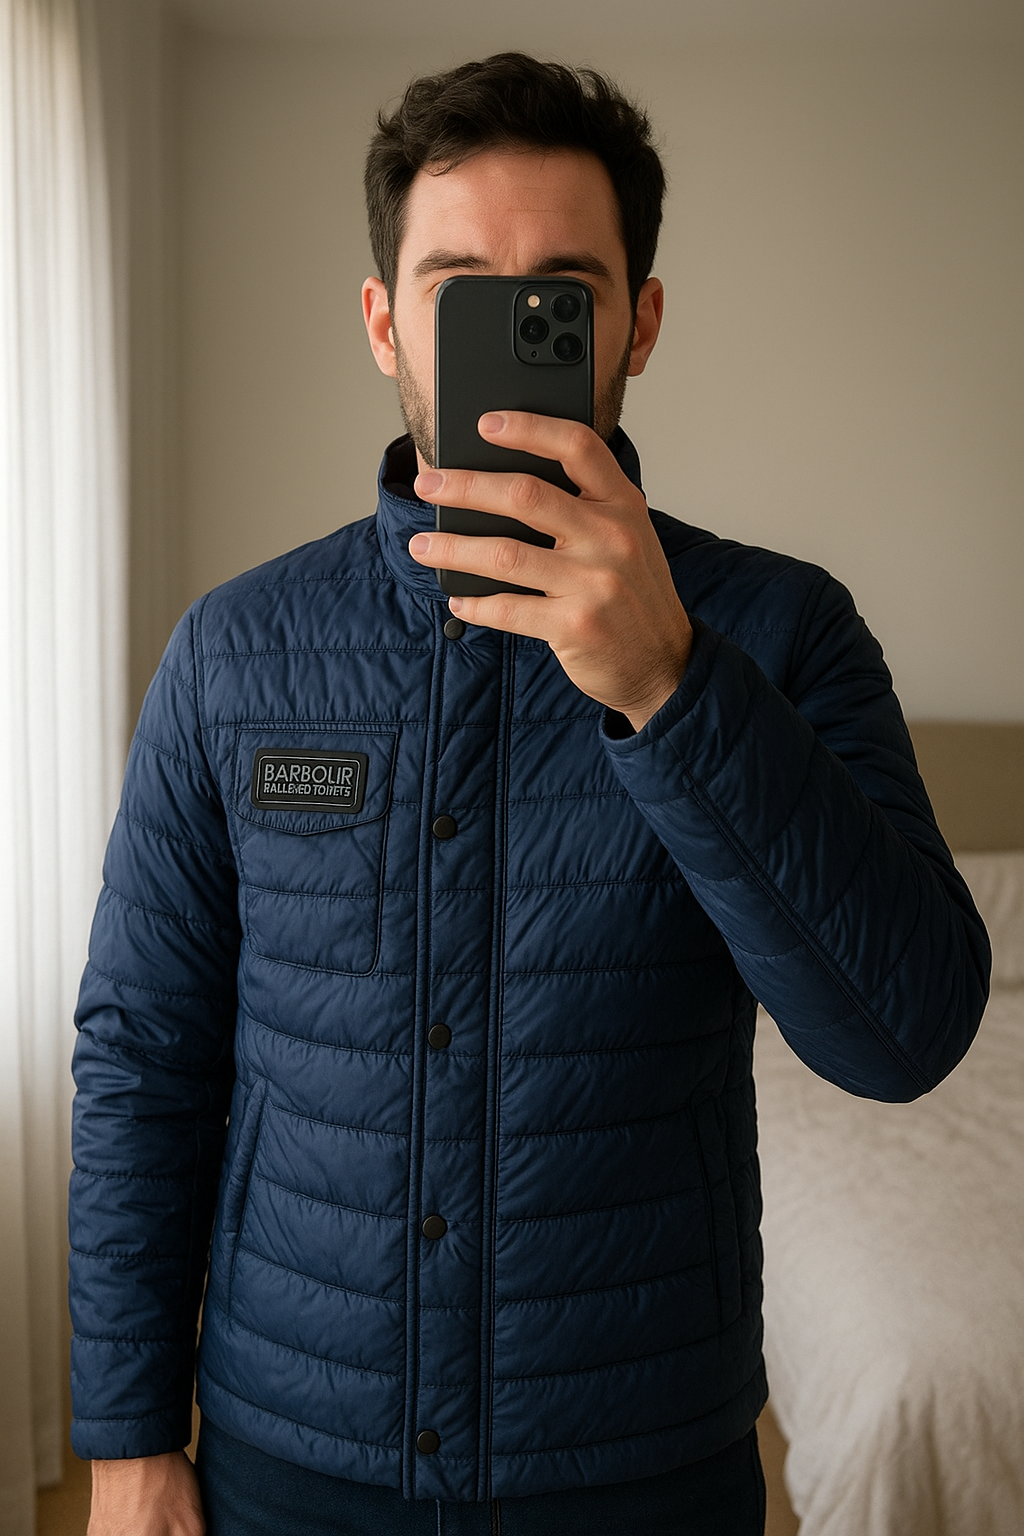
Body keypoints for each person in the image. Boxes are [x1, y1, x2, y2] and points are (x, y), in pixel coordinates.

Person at [73, 52, 989, 1536]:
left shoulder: (781, 632)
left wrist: (672, 690)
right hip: (291, 1455)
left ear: (640, 323)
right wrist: (125, 1440)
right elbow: (143, 1053)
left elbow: (906, 1036)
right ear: (385, 322)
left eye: (561, 293)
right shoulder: (234, 652)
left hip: (636, 1464)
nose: (509, 331)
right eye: (458, 290)